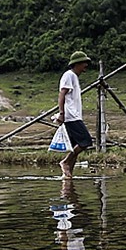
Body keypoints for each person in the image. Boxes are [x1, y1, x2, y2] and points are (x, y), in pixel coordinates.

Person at [55, 50, 95, 178]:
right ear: (77, 64)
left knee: (75, 148)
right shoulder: (69, 75)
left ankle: (68, 176)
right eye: (84, 63)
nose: (86, 66)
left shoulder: (73, 77)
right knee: (86, 141)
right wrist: (61, 113)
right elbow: (62, 94)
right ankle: (65, 162)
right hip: (71, 116)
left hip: (73, 115)